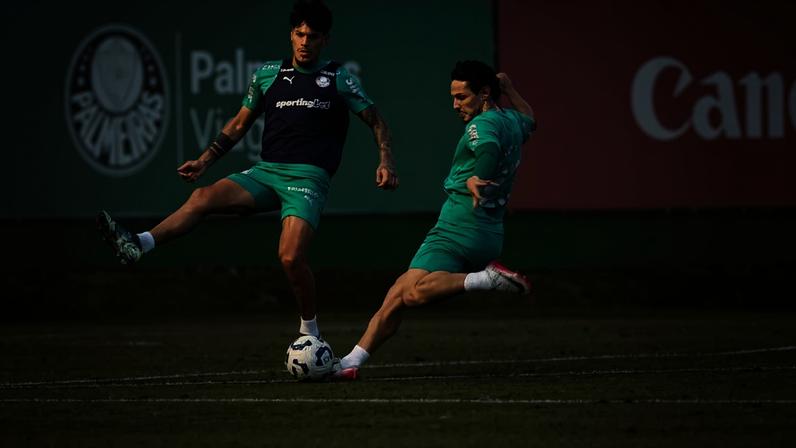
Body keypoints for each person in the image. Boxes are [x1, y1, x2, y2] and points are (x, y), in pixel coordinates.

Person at [97, 0, 398, 339]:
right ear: (291, 35)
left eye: (312, 37)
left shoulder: (338, 78)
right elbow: (240, 123)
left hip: (307, 178)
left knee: (289, 257)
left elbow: (377, 121)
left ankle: (310, 333)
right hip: (266, 173)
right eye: (299, 34)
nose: (304, 42)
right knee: (201, 197)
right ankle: (140, 243)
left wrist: (385, 159)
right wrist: (204, 160)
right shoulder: (268, 74)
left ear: (324, 40)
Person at [334, 60, 535, 380]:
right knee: (398, 292)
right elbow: (530, 119)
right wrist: (510, 90)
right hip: (488, 232)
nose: (455, 105)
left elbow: (487, 149)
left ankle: (485, 279)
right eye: (452, 96)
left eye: (462, 97)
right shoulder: (512, 120)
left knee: (412, 292)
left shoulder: (481, 126)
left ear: (484, 93)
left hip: (459, 227)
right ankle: (350, 363)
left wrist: (477, 176)